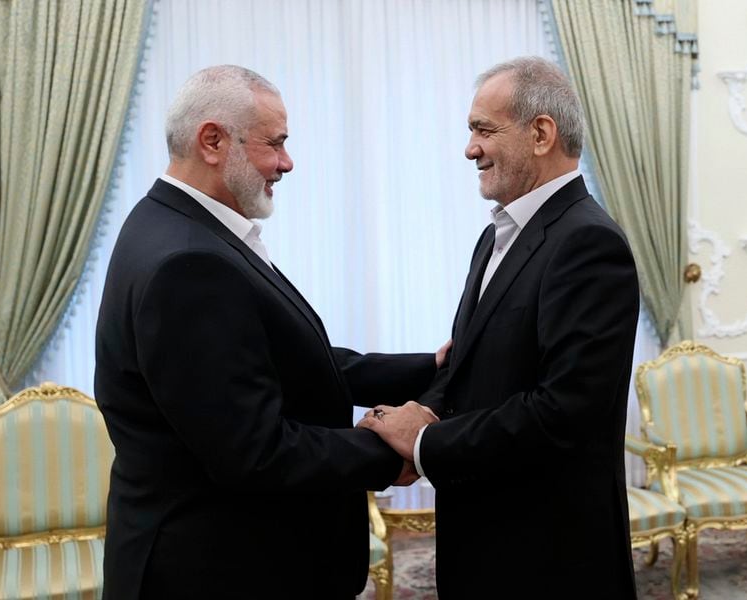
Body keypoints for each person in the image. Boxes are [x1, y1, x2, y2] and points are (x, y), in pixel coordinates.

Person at [95, 65, 441, 599]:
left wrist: (429, 368)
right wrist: (393, 451)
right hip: (219, 567)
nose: (287, 162)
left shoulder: (172, 223)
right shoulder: (188, 261)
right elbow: (253, 450)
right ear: (212, 141)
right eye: (275, 144)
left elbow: (281, 361)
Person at [359, 56, 640, 598]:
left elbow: (565, 412)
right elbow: (465, 361)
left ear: (541, 134)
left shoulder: (589, 242)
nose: (470, 148)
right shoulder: (495, 237)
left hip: (548, 555)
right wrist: (423, 413)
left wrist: (424, 443)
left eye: (483, 130)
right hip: (482, 536)